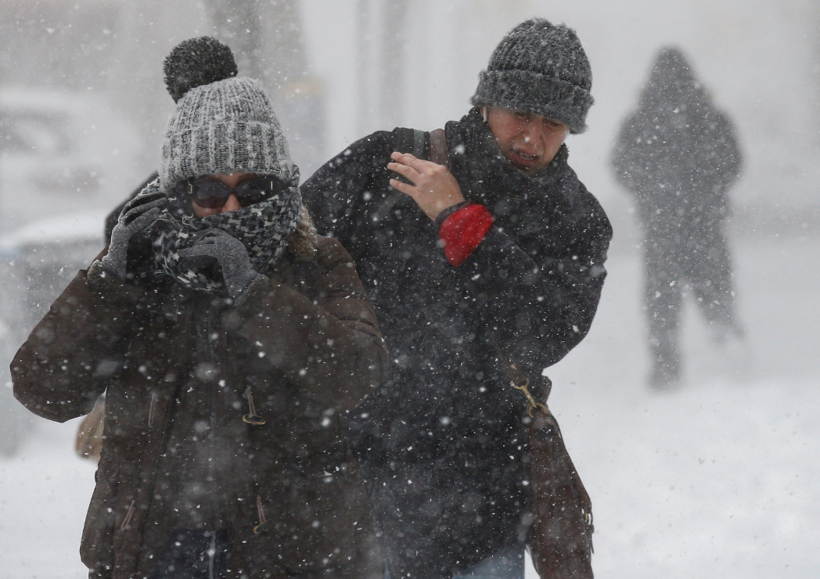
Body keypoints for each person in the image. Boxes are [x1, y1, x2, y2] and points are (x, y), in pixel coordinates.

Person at [12, 37, 386, 579]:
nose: (231, 207)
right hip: (151, 549)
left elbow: (357, 372)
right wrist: (108, 282)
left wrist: (254, 293)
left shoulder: (315, 259)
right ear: (178, 192)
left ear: (281, 186)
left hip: (291, 554)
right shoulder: (138, 261)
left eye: (253, 190)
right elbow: (42, 386)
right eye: (210, 191)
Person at [301, 18, 612, 579]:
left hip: (482, 506)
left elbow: (542, 335)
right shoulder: (388, 163)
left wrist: (463, 223)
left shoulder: (575, 220)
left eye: (554, 123)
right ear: (487, 101)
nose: (532, 139)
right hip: (352, 489)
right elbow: (283, 253)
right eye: (521, 114)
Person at [611, 46, 744, 390]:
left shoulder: (640, 120)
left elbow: (620, 165)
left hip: (661, 227)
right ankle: (732, 362)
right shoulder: (710, 116)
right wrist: (708, 191)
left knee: (661, 305)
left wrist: (650, 191)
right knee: (716, 295)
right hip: (705, 225)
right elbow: (732, 162)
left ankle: (665, 370)